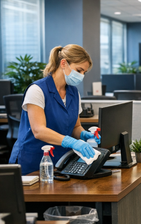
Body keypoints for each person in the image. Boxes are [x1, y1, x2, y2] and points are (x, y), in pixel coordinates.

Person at [9, 44, 100, 175]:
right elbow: (39, 131)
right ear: (63, 63)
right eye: (79, 70)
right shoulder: (37, 90)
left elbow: (75, 127)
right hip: (32, 160)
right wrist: (72, 142)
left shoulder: (74, 93)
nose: (81, 76)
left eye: (84, 72)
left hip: (60, 160)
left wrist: (84, 135)